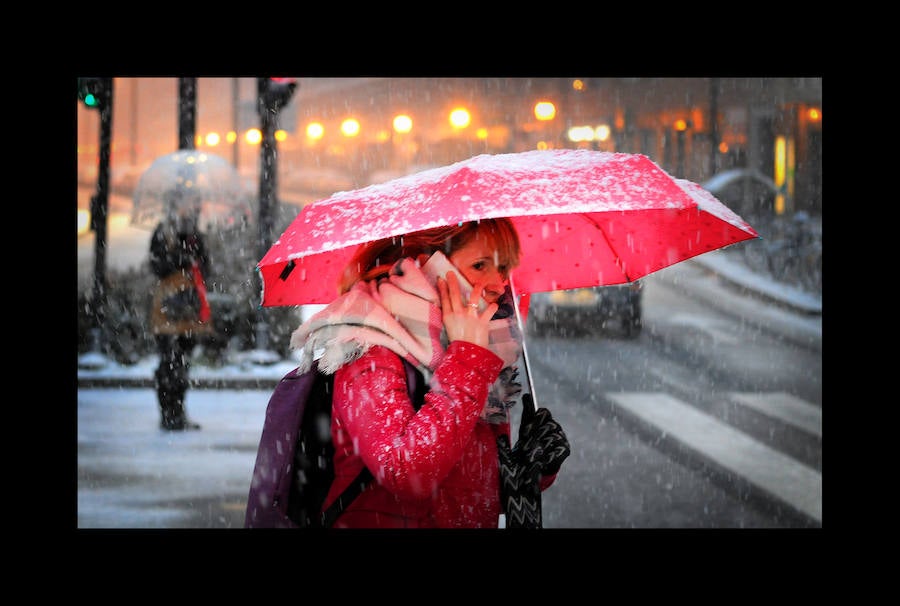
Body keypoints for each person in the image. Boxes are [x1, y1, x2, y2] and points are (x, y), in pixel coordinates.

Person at [290, 218, 570, 528]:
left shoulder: (482, 350)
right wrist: (467, 359)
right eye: (480, 266)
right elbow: (407, 475)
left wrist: (530, 465)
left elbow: (468, 491)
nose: (498, 284)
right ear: (426, 265)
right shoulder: (370, 347)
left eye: (503, 268)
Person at [148, 202, 212, 431]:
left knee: (183, 362)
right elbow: (156, 266)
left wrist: (195, 258)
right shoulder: (163, 233)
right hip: (167, 306)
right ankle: (168, 413)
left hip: (189, 307)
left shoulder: (196, 235)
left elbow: (207, 268)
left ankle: (179, 411)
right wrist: (181, 260)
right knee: (168, 361)